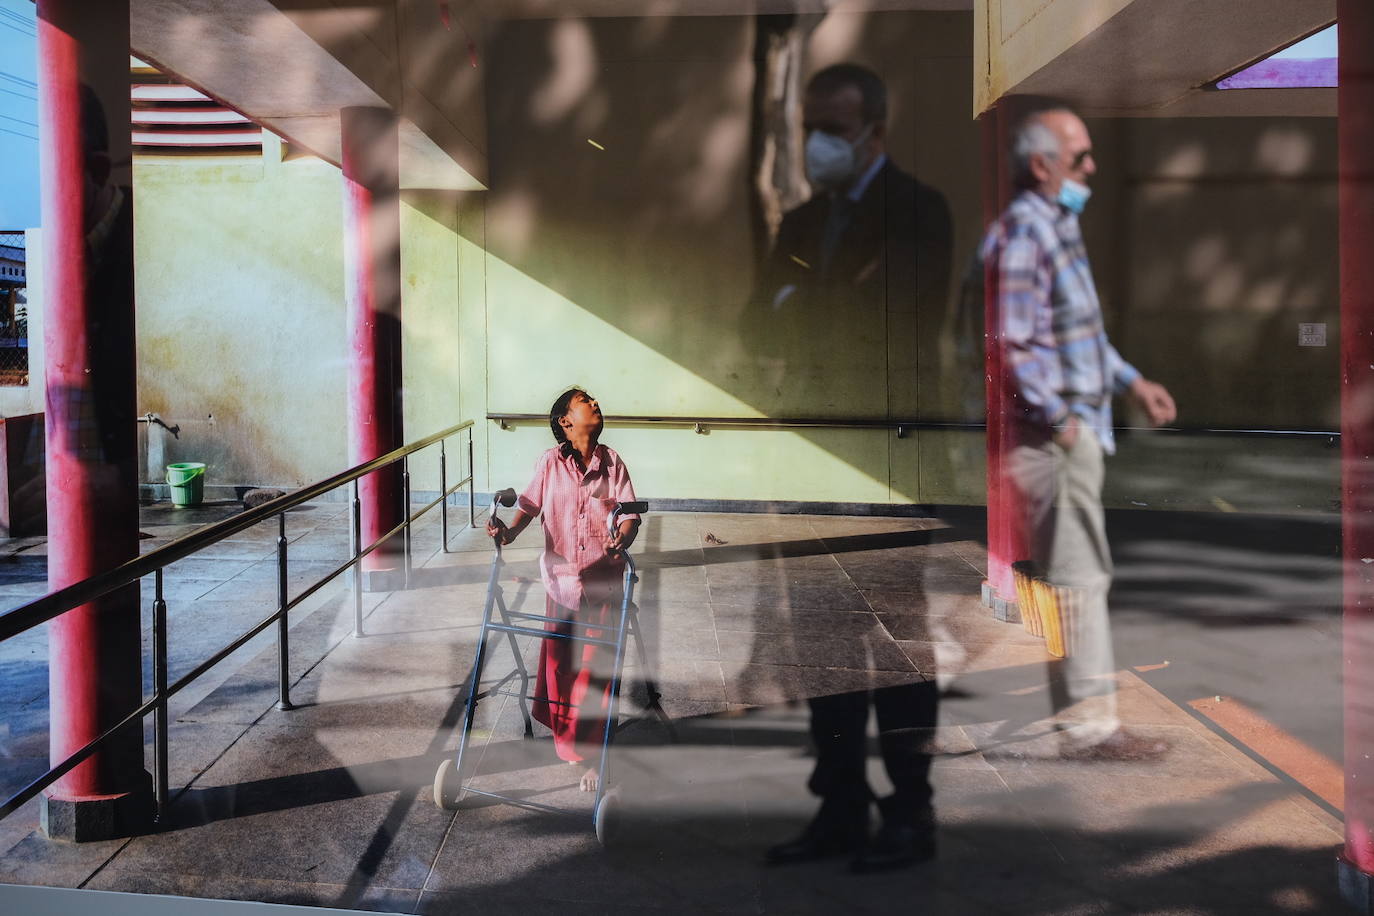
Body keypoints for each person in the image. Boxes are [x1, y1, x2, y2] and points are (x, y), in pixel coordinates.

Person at [983, 102, 1177, 760]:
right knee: (1079, 581)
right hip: (1056, 441)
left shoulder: (1057, 227)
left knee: (1083, 579)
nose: (1093, 166)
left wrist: (1132, 382)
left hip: (1077, 431)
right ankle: (1092, 731)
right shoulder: (1025, 234)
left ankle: (1088, 723)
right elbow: (1014, 340)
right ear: (1043, 165)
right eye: (1080, 156)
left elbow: (1082, 335)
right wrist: (1061, 420)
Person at [748, 63, 952, 406]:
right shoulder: (803, 219)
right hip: (808, 419)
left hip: (889, 426)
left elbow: (872, 319)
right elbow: (754, 328)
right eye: (809, 128)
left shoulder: (918, 210)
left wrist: (789, 298)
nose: (816, 142)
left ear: (875, 134)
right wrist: (837, 302)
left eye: (833, 129)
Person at [486, 389, 641, 792]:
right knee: (559, 668)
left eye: (593, 399)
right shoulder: (550, 463)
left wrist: (621, 539)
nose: (594, 403)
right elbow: (529, 506)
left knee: (593, 672)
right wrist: (509, 532)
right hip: (561, 582)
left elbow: (630, 515)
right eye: (584, 400)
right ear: (565, 422)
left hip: (603, 582)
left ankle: (593, 756)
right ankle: (570, 741)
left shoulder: (613, 462)